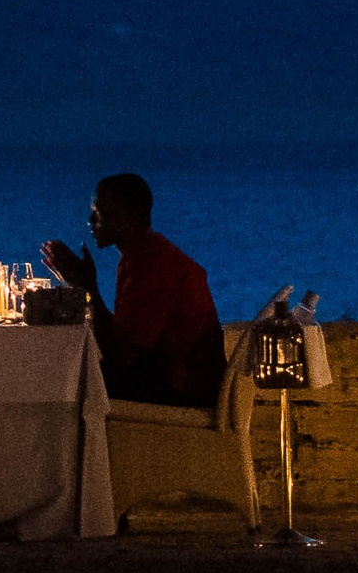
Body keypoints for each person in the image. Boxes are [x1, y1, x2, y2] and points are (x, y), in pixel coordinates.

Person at [42, 172, 225, 408]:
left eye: (99, 212)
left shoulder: (152, 263)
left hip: (184, 393)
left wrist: (87, 288)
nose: (90, 220)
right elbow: (124, 339)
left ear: (127, 216)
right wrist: (85, 287)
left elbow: (122, 355)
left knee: (62, 378)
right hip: (175, 381)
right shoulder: (143, 255)